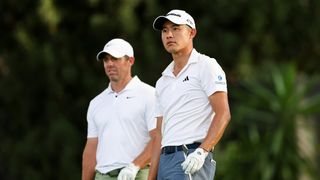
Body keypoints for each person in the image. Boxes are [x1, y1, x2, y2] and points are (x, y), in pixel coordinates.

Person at [148, 10, 231, 180]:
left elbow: (223, 114)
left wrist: (202, 151)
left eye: (176, 28)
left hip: (191, 156)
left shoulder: (206, 66)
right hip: (165, 160)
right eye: (164, 31)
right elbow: (159, 134)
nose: (169, 35)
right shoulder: (162, 81)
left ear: (192, 32)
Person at [82, 38, 156, 180]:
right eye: (106, 60)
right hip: (102, 176)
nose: (109, 64)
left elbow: (158, 139)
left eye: (115, 59)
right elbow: (91, 150)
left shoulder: (150, 95)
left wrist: (134, 166)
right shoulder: (96, 103)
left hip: (137, 174)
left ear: (130, 61)